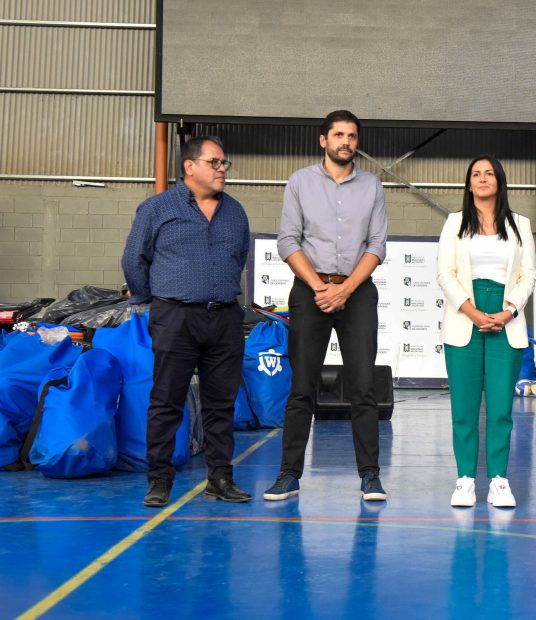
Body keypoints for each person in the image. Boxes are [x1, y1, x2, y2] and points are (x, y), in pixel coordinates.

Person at [263, 110, 388, 502]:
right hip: (310, 291)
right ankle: (288, 475)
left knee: (363, 388)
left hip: (357, 292)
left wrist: (345, 289)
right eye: (338, 135)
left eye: (351, 136)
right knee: (301, 387)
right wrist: (320, 287)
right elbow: (288, 240)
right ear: (324, 140)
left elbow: (377, 245)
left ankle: (370, 476)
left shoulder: (372, 186)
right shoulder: (300, 182)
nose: (345, 142)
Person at [122, 136, 252, 507]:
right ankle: (159, 481)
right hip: (175, 317)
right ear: (189, 167)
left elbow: (239, 257)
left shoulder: (235, 212)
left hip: (224, 318)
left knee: (221, 405)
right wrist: (157, 300)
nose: (222, 169)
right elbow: (134, 260)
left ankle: (220, 479)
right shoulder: (157, 208)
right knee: (167, 400)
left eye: (224, 163)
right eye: (215, 162)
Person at [437, 156, 536, 508]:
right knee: (464, 408)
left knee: (500, 408)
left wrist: (507, 312)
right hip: (465, 318)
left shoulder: (520, 225)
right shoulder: (454, 223)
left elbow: (528, 275)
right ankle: (465, 480)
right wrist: (473, 312)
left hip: (506, 321)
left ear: (499, 181)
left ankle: (498, 481)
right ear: (469, 184)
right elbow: (445, 274)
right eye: (476, 174)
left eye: (489, 174)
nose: (482, 179)